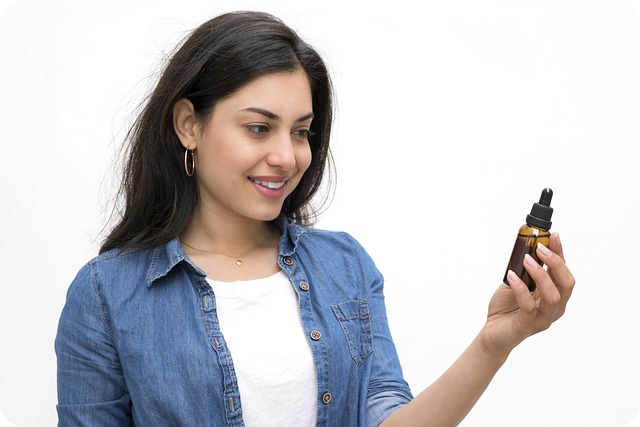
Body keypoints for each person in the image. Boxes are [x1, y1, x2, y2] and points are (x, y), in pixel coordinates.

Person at [54, 10, 576, 427]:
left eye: (301, 131)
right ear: (189, 124)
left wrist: (493, 342)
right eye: (259, 128)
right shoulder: (107, 294)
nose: (287, 156)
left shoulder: (344, 265)